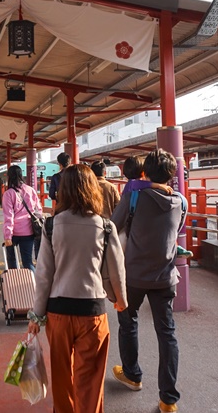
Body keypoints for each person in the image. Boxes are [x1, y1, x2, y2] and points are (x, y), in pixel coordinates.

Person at [28, 164, 127, 413]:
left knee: (62, 376)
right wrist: (121, 300)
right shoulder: (105, 227)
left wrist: (37, 315)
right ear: (92, 188)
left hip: (58, 313)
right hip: (92, 312)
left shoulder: (51, 226)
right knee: (91, 379)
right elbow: (116, 270)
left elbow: (43, 275)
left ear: (63, 190)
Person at [110, 148, 187, 413]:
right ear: (171, 174)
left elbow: (113, 226)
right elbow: (177, 231)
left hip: (132, 274)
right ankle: (168, 399)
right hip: (165, 276)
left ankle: (132, 375)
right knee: (167, 333)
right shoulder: (181, 201)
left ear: (145, 172)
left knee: (127, 320)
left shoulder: (134, 195)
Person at [121, 155, 193, 259]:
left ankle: (176, 247)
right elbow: (139, 185)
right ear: (143, 172)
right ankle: (176, 248)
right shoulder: (134, 184)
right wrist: (157, 185)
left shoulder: (130, 186)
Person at [2, 164, 43, 272]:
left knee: (12, 262)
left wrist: (7, 235)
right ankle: (34, 286)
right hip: (29, 231)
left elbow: (8, 216)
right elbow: (38, 210)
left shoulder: (8, 194)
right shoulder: (30, 190)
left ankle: (14, 286)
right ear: (21, 175)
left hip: (14, 233)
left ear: (9, 177)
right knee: (28, 262)